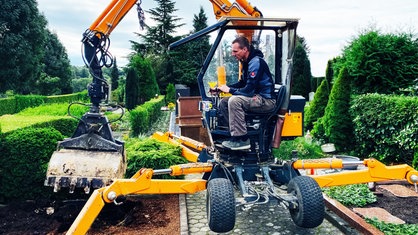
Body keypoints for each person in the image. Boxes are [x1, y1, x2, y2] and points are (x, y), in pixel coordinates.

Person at [217, 36, 276, 150]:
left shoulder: (256, 62)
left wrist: (229, 90)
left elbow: (248, 90)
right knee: (224, 102)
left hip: (266, 100)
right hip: (256, 97)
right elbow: (242, 83)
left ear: (244, 50)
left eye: (235, 51)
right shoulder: (247, 62)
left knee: (234, 101)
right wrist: (223, 87)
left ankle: (242, 140)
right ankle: (231, 135)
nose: (233, 54)